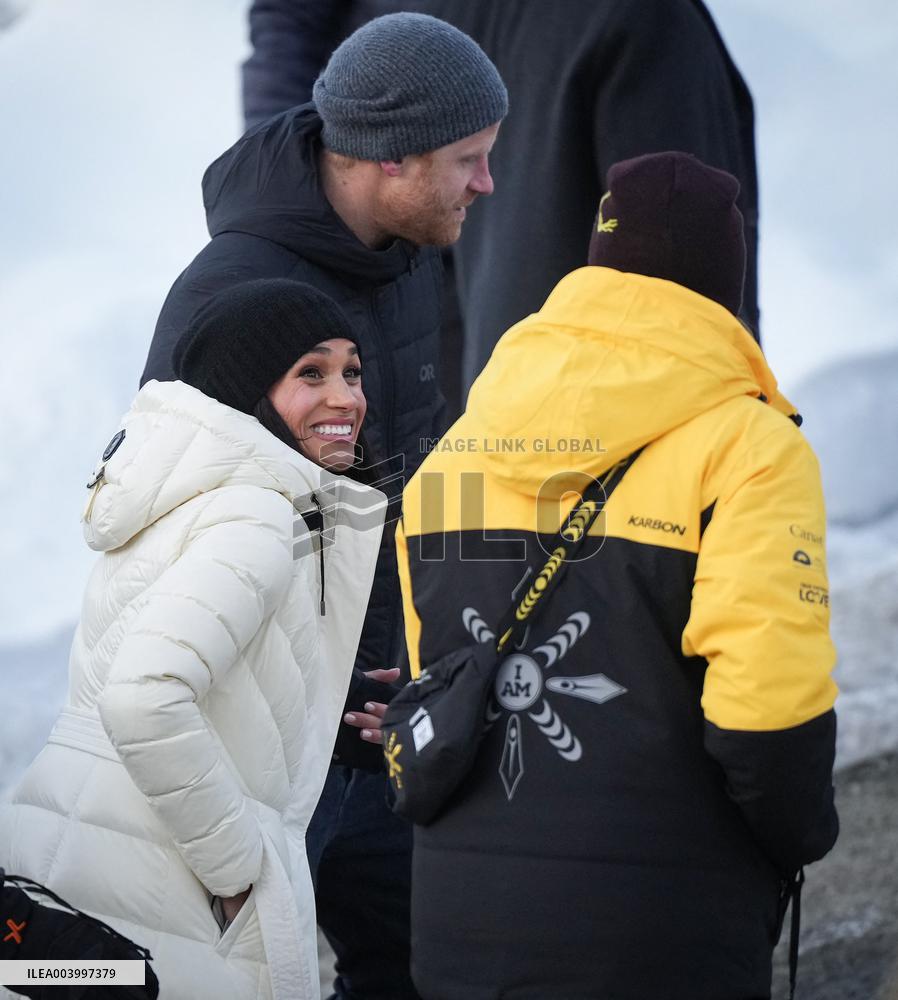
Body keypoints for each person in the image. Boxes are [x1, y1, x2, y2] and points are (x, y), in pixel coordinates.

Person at [395, 152, 838, 999]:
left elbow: (437, 677)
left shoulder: (452, 453)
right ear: (725, 284)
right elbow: (767, 715)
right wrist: (799, 838)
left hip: (457, 934)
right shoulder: (749, 450)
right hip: (666, 936)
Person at [142, 14, 507, 999]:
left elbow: (426, 457)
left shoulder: (413, 254)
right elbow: (155, 536)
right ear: (391, 161)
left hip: (377, 729)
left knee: (423, 969)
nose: (488, 184)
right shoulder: (238, 297)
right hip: (257, 759)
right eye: (469, 160)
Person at [0, 280, 386, 1000]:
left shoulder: (190, 497)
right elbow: (144, 696)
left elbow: (188, 661)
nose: (346, 398)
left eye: (352, 371)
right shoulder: (258, 518)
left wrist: (321, 707)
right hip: (157, 888)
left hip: (77, 863)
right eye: (312, 372)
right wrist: (238, 867)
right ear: (248, 390)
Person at [240, 0, 760, 401]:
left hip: (567, 48)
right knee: (488, 405)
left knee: (670, 329)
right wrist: (300, 168)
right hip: (434, 74)